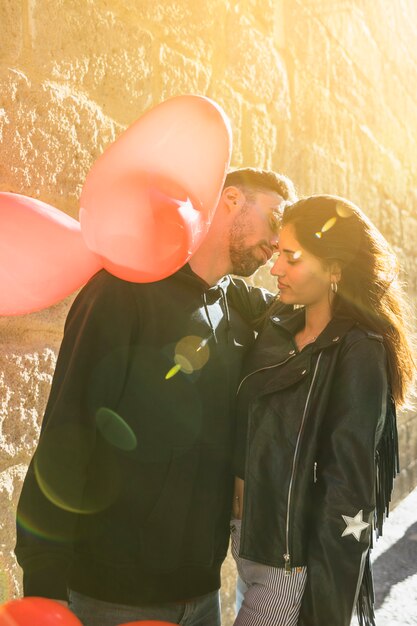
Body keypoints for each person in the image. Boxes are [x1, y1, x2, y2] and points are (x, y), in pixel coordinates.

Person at [15, 168, 296, 626]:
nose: (276, 243)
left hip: (203, 599)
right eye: (275, 218)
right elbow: (68, 430)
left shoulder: (239, 312)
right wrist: (44, 587)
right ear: (229, 200)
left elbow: (311, 314)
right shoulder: (122, 290)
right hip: (108, 599)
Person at [231, 194, 415, 626]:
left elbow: (347, 486)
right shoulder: (278, 325)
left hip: (287, 564)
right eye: (277, 253)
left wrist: (324, 606)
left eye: (291, 257)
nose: (275, 268)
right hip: (245, 541)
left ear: (335, 268)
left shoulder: (359, 353)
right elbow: (223, 289)